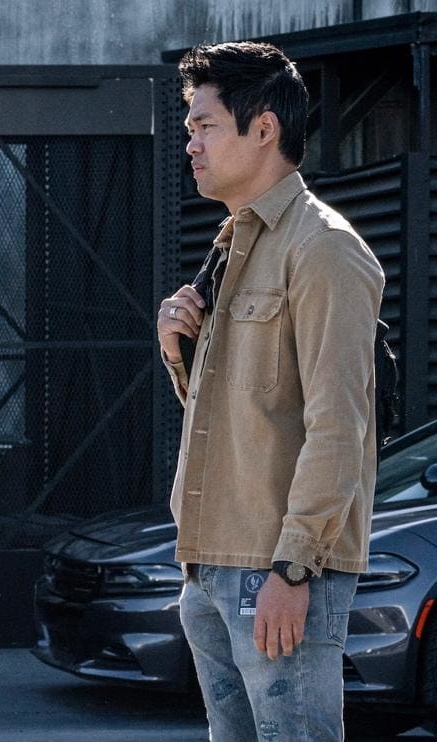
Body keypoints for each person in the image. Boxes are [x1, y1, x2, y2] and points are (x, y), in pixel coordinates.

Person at [157, 42, 382, 741]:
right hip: (211, 565)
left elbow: (339, 425)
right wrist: (178, 351)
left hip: (277, 572)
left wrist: (294, 567)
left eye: (205, 125)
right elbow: (246, 417)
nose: (191, 144)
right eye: (190, 128)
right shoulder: (232, 247)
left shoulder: (323, 248)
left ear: (263, 128)